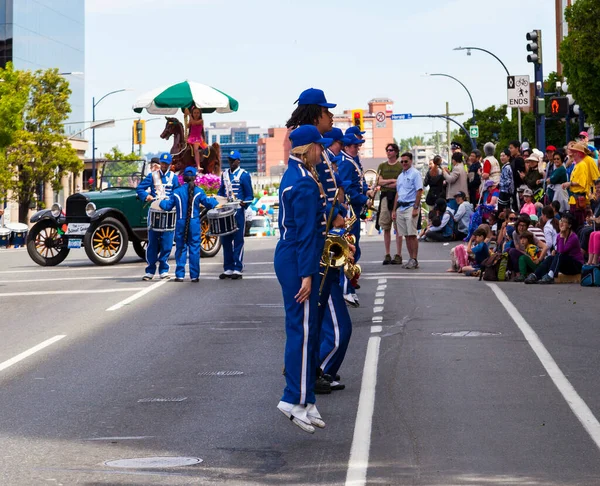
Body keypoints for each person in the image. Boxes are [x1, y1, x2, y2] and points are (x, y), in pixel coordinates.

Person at [274, 124, 331, 434]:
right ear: (308, 149)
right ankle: (292, 399)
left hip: (291, 255)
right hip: (298, 258)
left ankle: (306, 399)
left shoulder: (296, 174)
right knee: (303, 331)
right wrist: (308, 274)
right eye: (319, 147)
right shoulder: (306, 183)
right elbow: (308, 234)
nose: (322, 151)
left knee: (304, 329)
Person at [159, 167, 218, 282]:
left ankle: (180, 275)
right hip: (194, 223)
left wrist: (160, 201)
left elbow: (167, 206)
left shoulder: (176, 192)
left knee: (181, 247)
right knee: (195, 249)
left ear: (183, 178)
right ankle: (194, 275)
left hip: (180, 222)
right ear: (195, 177)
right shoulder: (199, 191)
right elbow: (208, 204)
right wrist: (215, 200)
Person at [337, 134, 373, 306]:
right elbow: (347, 189)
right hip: (350, 210)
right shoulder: (345, 162)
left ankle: (349, 285)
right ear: (346, 146)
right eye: (354, 146)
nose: (357, 148)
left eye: (357, 146)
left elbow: (358, 183)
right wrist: (363, 199)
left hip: (355, 210)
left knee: (353, 250)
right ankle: (346, 289)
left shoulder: (351, 160)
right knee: (350, 250)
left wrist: (366, 193)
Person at [136, 152, 180, 281]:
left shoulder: (174, 178)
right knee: (152, 244)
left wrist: (171, 201)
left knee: (167, 244)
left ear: (170, 164)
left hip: (168, 214)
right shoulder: (152, 176)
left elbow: (177, 193)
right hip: (155, 213)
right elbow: (140, 189)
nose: (164, 165)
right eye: (162, 163)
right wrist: (146, 196)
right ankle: (150, 270)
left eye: (166, 163)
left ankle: (164, 269)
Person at [217, 150, 253, 280]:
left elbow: (250, 195)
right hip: (226, 211)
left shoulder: (244, 175)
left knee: (238, 240)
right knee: (225, 241)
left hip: (238, 211)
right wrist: (217, 200)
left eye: (233, 160)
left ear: (238, 161)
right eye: (229, 160)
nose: (231, 162)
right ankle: (228, 268)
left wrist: (245, 203)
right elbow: (221, 191)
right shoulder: (225, 174)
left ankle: (238, 268)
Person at [524, 212, 584, 284]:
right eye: (561, 221)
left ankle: (550, 276)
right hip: (564, 263)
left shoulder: (573, 237)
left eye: (564, 222)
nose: (561, 223)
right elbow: (559, 251)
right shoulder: (559, 236)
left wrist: (561, 236)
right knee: (550, 257)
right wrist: (555, 251)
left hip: (576, 265)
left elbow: (562, 252)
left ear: (569, 225)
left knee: (559, 255)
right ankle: (535, 275)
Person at [392, 152, 423, 269]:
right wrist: (394, 210)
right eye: (402, 161)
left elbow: (419, 191)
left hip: (411, 206)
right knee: (406, 235)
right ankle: (411, 258)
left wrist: (416, 207)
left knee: (412, 234)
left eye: (406, 161)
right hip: (401, 206)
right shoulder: (400, 176)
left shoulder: (415, 174)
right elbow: (397, 194)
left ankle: (414, 259)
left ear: (411, 161)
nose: (404, 163)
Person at [377, 143, 403, 265]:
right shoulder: (382, 165)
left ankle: (398, 254)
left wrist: (387, 183)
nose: (388, 152)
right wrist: (392, 181)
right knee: (386, 227)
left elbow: (400, 183)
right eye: (387, 150)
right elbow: (379, 181)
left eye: (391, 150)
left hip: (398, 197)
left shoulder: (400, 166)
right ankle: (387, 254)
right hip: (385, 197)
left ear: (396, 152)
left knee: (398, 228)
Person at [185, 106, 208, 171]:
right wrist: (186, 118)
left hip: (197, 138)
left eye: (197, 113)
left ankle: (198, 165)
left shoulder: (201, 121)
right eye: (194, 113)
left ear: (200, 114)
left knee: (195, 149)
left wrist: (189, 114)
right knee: (184, 147)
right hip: (191, 137)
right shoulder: (191, 119)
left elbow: (194, 123)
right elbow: (188, 126)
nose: (196, 114)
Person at [509, 140, 526, 212]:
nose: (510, 150)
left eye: (511, 148)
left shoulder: (519, 160)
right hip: (513, 187)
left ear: (517, 148)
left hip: (518, 187)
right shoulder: (512, 159)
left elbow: (520, 174)